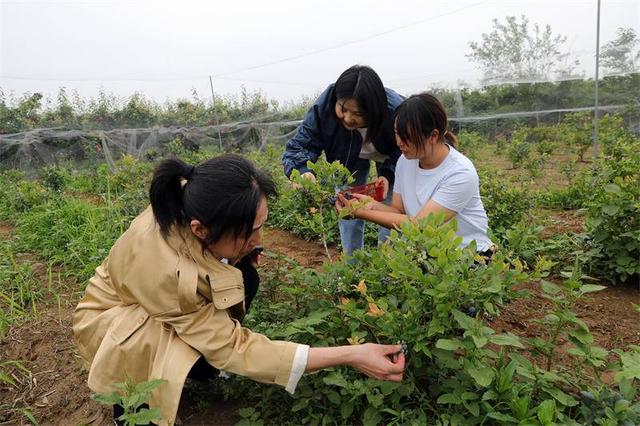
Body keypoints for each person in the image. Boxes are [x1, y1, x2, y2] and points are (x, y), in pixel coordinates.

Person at [72, 154, 405, 426]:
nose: (259, 241)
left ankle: (201, 371)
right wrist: (349, 354)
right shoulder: (168, 277)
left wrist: (234, 253)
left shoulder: (187, 206)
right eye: (249, 232)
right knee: (151, 337)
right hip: (115, 323)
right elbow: (236, 347)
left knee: (246, 276)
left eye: (259, 227)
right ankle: (128, 410)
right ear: (200, 229)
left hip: (160, 298)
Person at [335, 93, 494, 257]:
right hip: (428, 252)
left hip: (468, 256)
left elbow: (421, 226)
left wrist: (362, 214)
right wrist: (369, 204)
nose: (399, 142)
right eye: (397, 133)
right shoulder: (405, 161)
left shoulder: (460, 173)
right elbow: (398, 211)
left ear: (433, 136)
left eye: (407, 136)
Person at [282, 65, 404, 259]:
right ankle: (352, 266)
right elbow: (300, 146)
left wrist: (388, 174)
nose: (348, 118)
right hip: (347, 157)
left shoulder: (395, 110)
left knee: (391, 209)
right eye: (343, 109)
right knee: (348, 205)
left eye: (358, 114)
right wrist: (303, 171)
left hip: (389, 155)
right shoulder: (325, 106)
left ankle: (388, 266)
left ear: (374, 110)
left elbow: (407, 149)